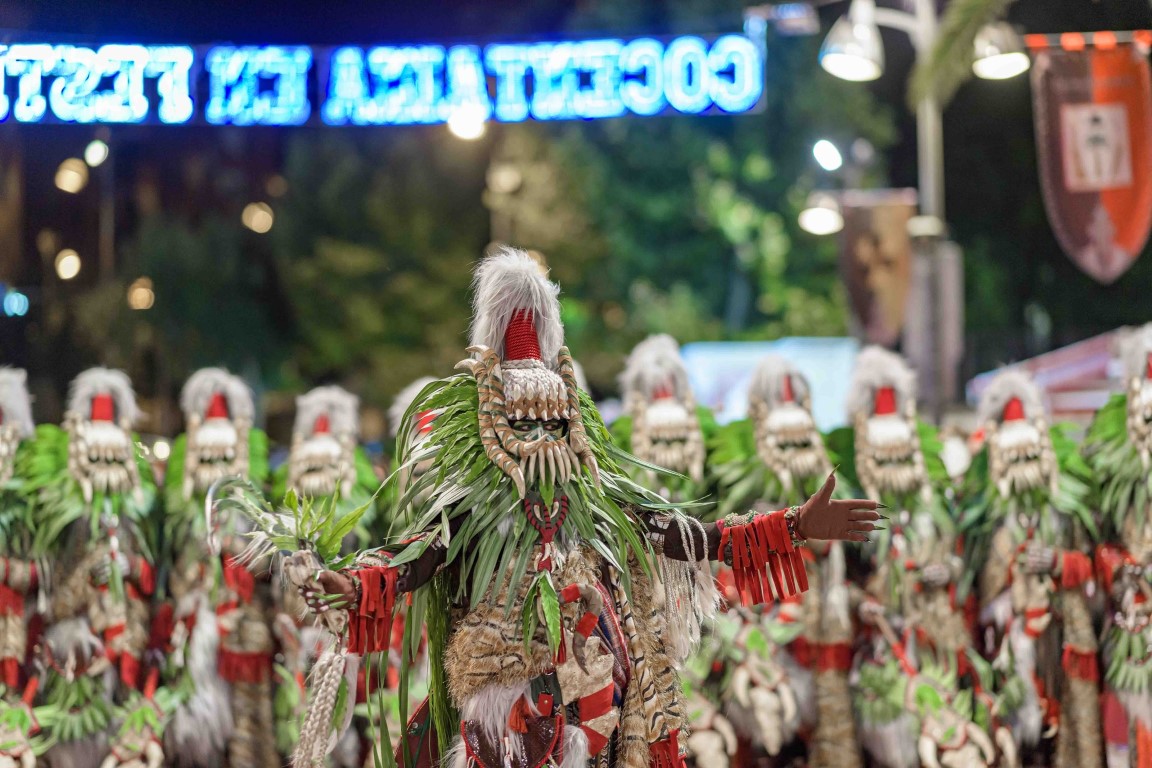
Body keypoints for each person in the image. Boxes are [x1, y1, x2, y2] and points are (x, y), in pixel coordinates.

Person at [282, 247, 879, 768]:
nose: (539, 437)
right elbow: (415, 557)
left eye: (551, 420)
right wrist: (355, 585)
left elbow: (689, 536)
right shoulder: (470, 503)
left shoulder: (596, 494)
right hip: (504, 705)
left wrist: (793, 526)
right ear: (490, 418)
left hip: (597, 695)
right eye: (523, 422)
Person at [27, 369, 159, 768]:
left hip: (125, 642)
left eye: (113, 456)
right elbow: (47, 579)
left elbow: (153, 574)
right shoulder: (60, 511)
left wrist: (129, 565)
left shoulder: (137, 510)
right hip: (73, 640)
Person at [971, 369, 1100, 768]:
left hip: (1061, 635)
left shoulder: (1065, 513)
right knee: (1018, 732)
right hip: (1012, 644)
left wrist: (1059, 562)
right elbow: (980, 590)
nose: (1024, 465)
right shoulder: (991, 524)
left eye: (1029, 455)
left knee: (1063, 727)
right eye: (1015, 457)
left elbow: (1091, 565)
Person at [159, 368, 275, 768]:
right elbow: (170, 569)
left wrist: (237, 548)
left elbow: (268, 566)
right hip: (194, 628)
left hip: (243, 629)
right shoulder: (179, 514)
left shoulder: (258, 507)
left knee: (248, 730)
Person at [1083, 323, 1152, 768]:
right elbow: (1097, 547)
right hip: (1131, 624)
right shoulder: (1113, 481)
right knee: (1127, 727)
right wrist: (1121, 570)